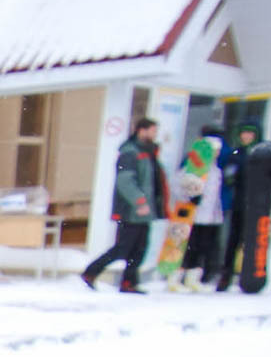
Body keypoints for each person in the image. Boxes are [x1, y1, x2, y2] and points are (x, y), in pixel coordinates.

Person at [82, 117, 165, 293]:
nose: (155, 135)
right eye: (153, 131)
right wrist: (139, 201)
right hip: (131, 210)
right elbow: (125, 181)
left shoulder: (148, 152)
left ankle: (129, 282)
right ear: (142, 130)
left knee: (140, 248)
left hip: (144, 211)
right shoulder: (130, 152)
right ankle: (91, 272)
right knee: (124, 248)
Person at [216, 121, 271, 291]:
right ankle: (226, 275)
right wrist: (231, 176)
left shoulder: (265, 153)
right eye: (244, 133)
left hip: (258, 206)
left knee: (254, 241)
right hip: (240, 203)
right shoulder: (237, 153)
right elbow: (228, 175)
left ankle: (250, 273)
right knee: (233, 241)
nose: (246, 136)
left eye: (250, 133)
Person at [176, 124, 226, 291]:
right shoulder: (194, 165)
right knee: (187, 247)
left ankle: (193, 278)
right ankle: (176, 277)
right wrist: (191, 195)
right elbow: (180, 184)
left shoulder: (215, 169)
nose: (217, 153)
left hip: (209, 217)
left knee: (201, 248)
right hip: (193, 215)